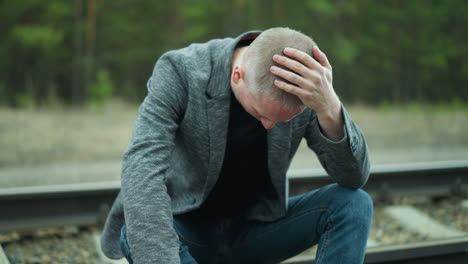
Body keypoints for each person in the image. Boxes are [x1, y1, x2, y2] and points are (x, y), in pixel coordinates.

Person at [100, 27, 372, 264]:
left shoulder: (306, 91)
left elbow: (353, 177)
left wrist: (330, 108)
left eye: (280, 120)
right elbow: (142, 169)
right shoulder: (181, 71)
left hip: (254, 235)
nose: (269, 125)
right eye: (260, 113)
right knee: (135, 230)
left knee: (353, 203)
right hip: (186, 233)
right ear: (237, 75)